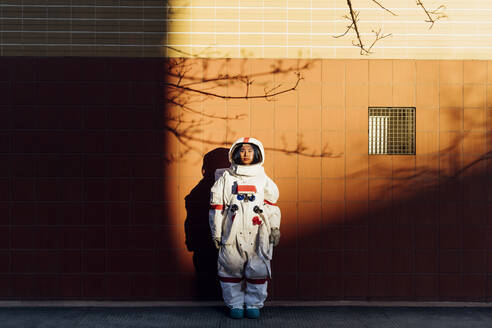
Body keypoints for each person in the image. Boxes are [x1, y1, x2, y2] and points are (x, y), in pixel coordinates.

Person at [209, 137, 281, 319]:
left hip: (258, 232)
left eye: (250, 150)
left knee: (258, 269)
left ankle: (253, 304)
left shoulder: (262, 179)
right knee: (230, 267)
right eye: (242, 150)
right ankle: (235, 304)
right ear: (235, 153)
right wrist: (216, 233)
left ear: (257, 153)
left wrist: (274, 228)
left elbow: (272, 206)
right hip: (231, 232)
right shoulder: (226, 178)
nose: (246, 154)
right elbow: (216, 208)